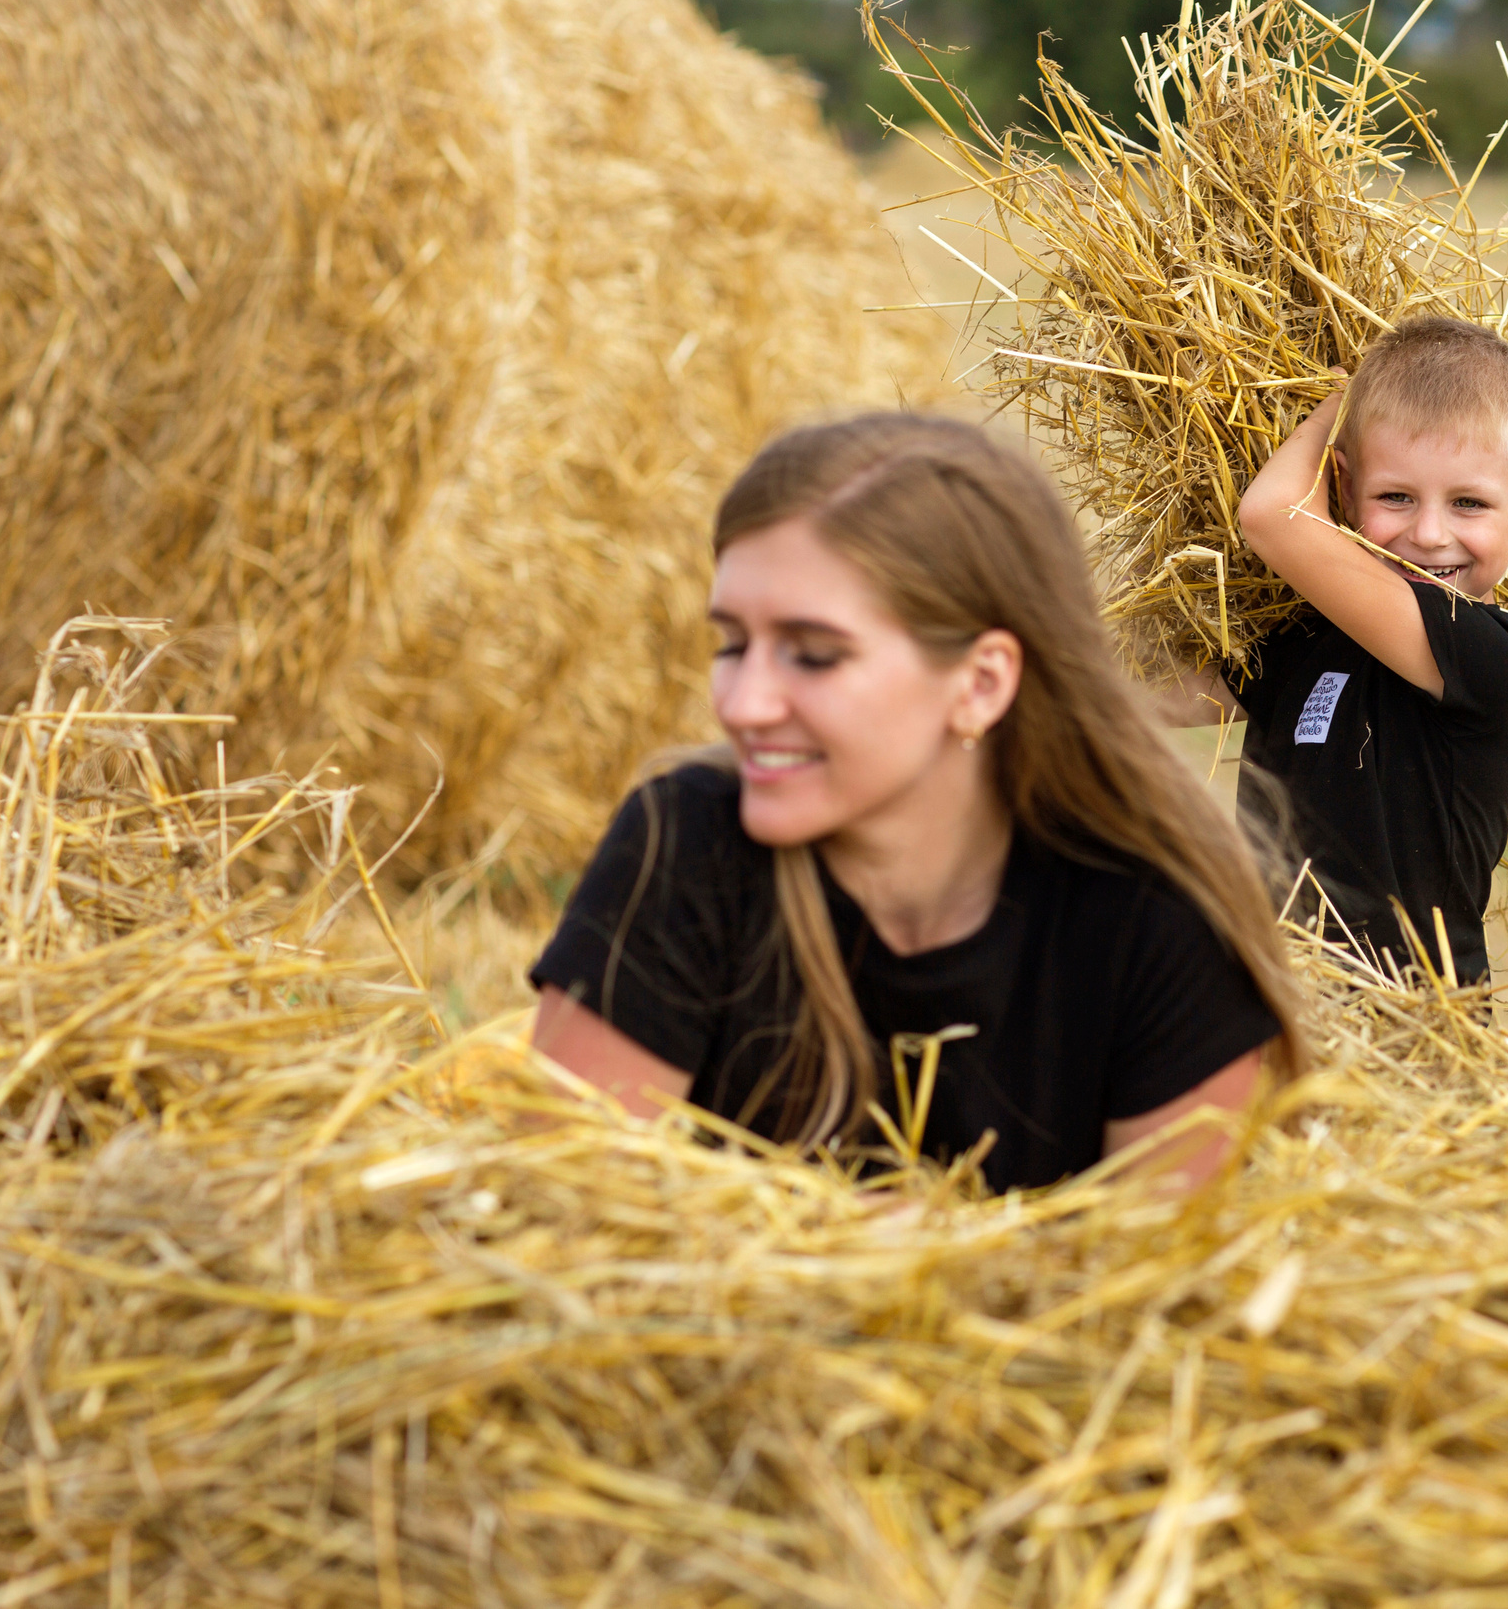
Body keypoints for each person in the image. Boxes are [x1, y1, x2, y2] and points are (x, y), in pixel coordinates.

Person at [527, 414, 1304, 1194]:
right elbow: (560, 1217)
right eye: (732, 644)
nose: (744, 703)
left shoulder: (1157, 915)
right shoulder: (682, 843)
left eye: (814, 653)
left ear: (981, 683)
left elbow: (1162, 1286)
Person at [1165, 316, 1508, 984]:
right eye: (1395, 496)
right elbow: (1152, 697)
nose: (1431, 535)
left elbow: (1269, 516)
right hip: (1281, 1012)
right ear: (1343, 489)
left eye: (1469, 503)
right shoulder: (1309, 638)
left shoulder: (1482, 658)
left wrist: (1336, 399)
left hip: (1412, 1030)